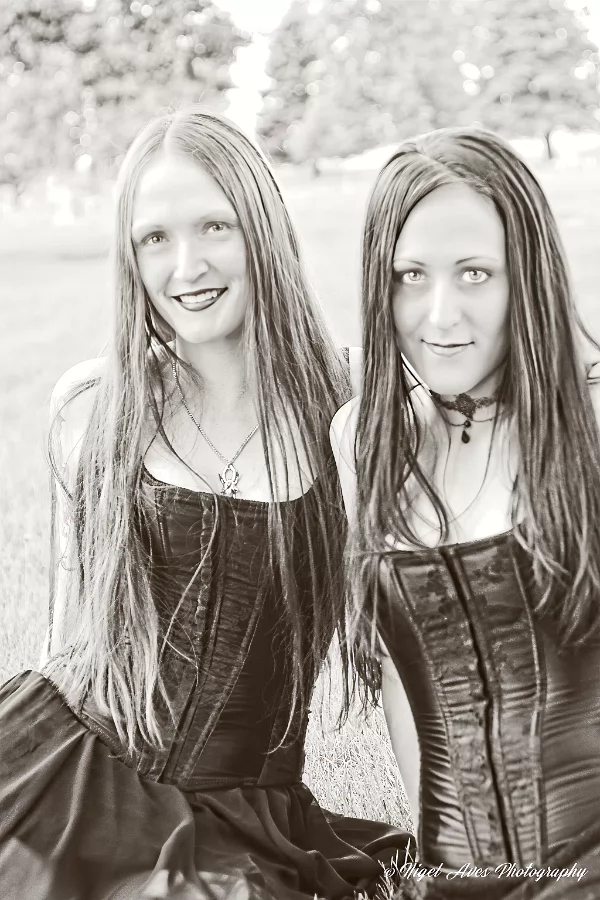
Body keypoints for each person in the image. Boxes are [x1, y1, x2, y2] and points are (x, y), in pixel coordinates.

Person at [0, 108, 413, 900]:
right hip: (79, 771)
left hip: (247, 810)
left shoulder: (355, 408)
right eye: (155, 237)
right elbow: (67, 639)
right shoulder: (97, 407)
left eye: (214, 226)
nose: (186, 266)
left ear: (263, 225)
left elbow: (407, 661)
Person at [330, 127, 600, 899]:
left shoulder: (590, 422)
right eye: (410, 275)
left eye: (475, 273)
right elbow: (398, 676)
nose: (439, 316)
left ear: (527, 276)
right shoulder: (365, 442)